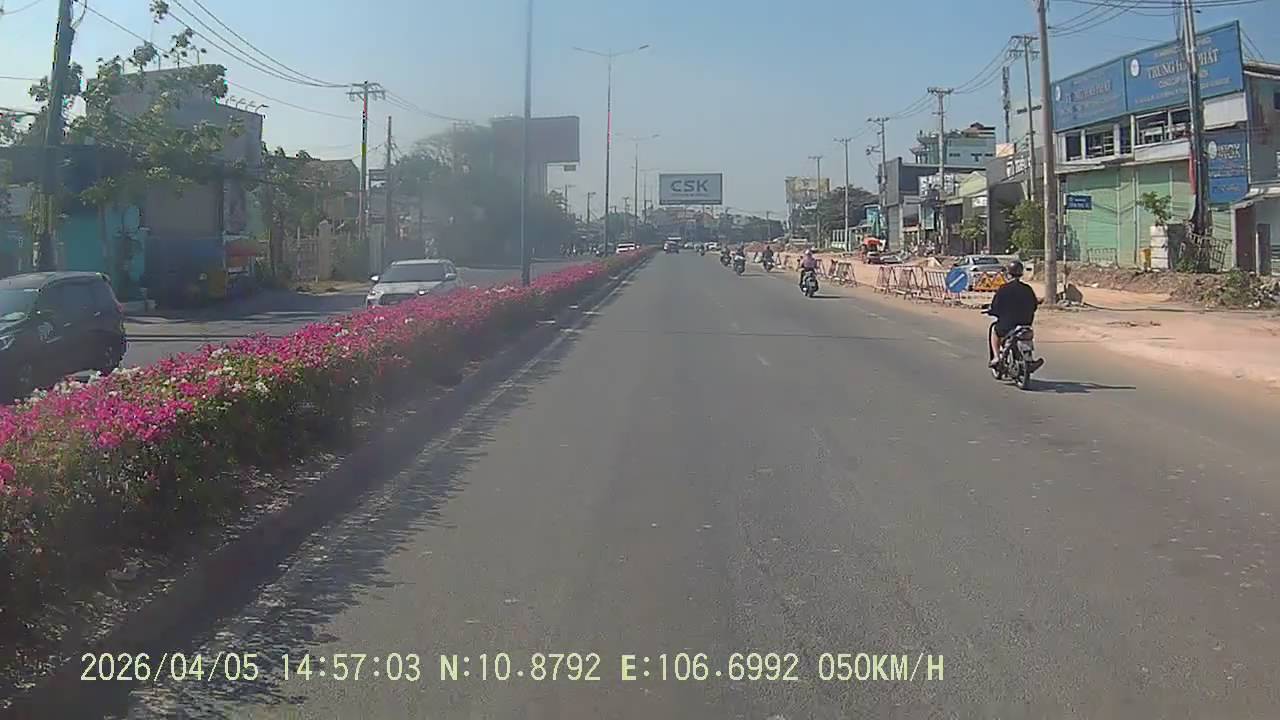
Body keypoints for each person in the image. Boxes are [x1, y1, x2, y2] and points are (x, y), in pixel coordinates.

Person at [987, 260, 1039, 367]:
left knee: (995, 331)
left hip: (1008, 326)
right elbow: (1034, 305)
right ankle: (1029, 359)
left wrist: (992, 311)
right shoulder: (1027, 289)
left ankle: (996, 357)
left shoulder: (1003, 289)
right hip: (1026, 324)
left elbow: (995, 307)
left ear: (1008, 274)